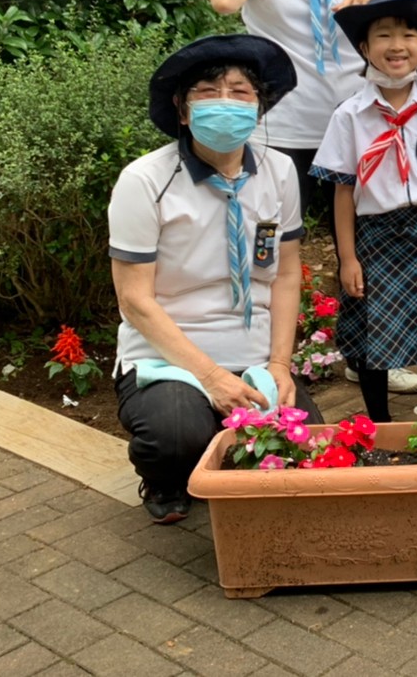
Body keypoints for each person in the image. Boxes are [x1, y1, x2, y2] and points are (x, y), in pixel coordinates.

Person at [204, 0, 417, 396]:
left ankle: (374, 349)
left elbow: (389, 23)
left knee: (373, 240)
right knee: (271, 243)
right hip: (283, 127)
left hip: (358, 120)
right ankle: (271, 356)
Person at [110, 34, 319, 523]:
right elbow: (135, 300)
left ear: (259, 108)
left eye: (240, 92)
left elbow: (286, 273)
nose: (225, 103)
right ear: (183, 112)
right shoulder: (144, 181)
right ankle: (163, 477)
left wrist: (282, 366)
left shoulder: (280, 171)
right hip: (170, 358)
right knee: (178, 434)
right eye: (207, 93)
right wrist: (210, 377)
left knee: (305, 440)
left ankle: (224, 435)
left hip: (253, 356)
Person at [309, 0, 417, 423]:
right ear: (365, 49)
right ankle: (378, 424)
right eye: (382, 35)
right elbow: (343, 192)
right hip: (375, 238)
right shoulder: (350, 115)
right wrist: (348, 257)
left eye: (408, 34)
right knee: (372, 334)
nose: (396, 44)